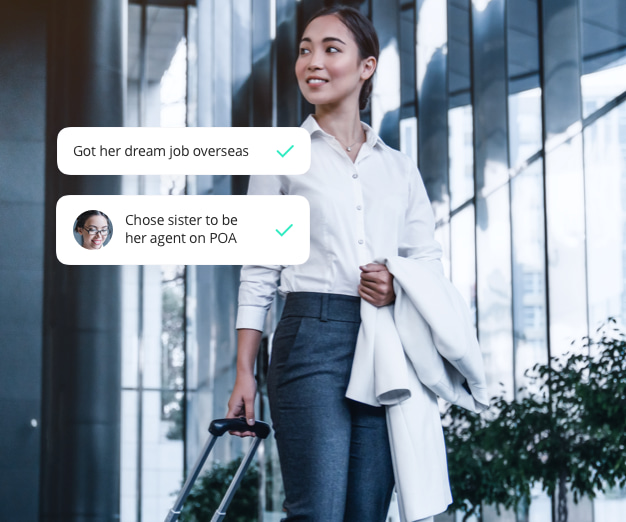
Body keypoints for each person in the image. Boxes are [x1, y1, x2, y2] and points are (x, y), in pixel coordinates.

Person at [227, 5, 443, 521]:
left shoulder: (398, 168)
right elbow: (259, 270)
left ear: (366, 67)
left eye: (330, 49)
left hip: (385, 342)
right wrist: (243, 372)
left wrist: (397, 284)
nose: (312, 62)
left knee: (367, 513)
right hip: (309, 337)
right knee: (317, 510)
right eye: (305, 50)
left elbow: (427, 260)